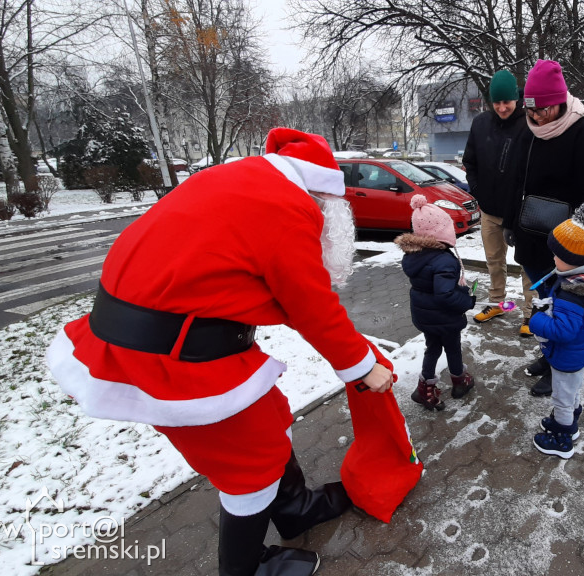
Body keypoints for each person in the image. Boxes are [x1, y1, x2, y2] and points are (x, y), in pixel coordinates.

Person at [46, 128, 396, 576]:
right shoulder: (288, 208)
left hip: (167, 334)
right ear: (319, 194)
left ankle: (295, 509)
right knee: (249, 468)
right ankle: (246, 569)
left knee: (269, 415)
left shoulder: (240, 179)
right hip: (172, 358)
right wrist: (364, 369)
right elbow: (311, 306)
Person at [505, 58, 584, 397]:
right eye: (531, 111)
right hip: (531, 233)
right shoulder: (528, 131)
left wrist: (579, 242)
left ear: (560, 100)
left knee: (564, 305)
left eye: (543, 110)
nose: (536, 117)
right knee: (543, 299)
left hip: (566, 243)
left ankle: (559, 365)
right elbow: (515, 180)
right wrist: (509, 221)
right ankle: (548, 354)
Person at [528, 202, 584, 459]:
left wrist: (536, 320)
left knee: (562, 396)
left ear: (572, 259)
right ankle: (569, 419)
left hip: (567, 354)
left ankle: (562, 436)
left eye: (557, 255)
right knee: (572, 390)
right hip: (578, 353)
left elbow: (564, 330)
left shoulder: (573, 293)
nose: (553, 259)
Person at [462, 69, 534, 335]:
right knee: (494, 261)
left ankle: (530, 313)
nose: (502, 107)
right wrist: (478, 190)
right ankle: (498, 303)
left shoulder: (529, 123)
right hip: (490, 211)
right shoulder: (481, 123)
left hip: (522, 212)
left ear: (516, 98)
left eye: (507, 101)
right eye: (497, 102)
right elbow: (469, 162)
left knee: (528, 264)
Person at [395, 195, 478, 410]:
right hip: (444, 317)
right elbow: (445, 295)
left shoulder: (415, 255)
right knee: (452, 348)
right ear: (440, 231)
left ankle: (425, 389)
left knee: (432, 348)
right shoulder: (443, 260)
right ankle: (459, 382)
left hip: (424, 314)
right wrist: (467, 301)